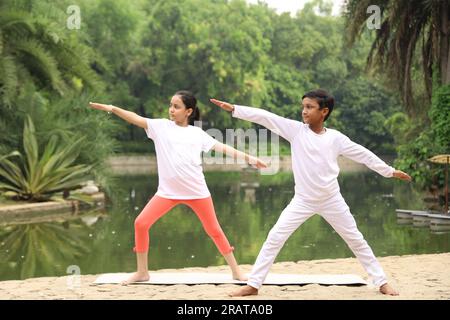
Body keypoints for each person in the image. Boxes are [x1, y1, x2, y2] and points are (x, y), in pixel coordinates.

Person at [210, 89, 412, 296]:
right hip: (303, 200)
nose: (304, 111)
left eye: (309, 107)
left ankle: (381, 282)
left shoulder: (336, 138)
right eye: (303, 107)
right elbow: (266, 117)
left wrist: (389, 171)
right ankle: (253, 285)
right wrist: (235, 109)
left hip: (332, 200)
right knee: (274, 237)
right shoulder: (296, 131)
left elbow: (363, 154)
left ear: (324, 111)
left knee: (356, 240)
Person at [89, 90, 267, 284]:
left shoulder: (196, 133)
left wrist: (250, 158)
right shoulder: (160, 127)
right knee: (141, 223)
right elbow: (136, 118)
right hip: (167, 193)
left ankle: (236, 271)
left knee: (214, 230)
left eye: (176, 106)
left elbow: (222, 148)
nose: (171, 110)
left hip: (197, 192)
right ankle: (142, 272)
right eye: (171, 105)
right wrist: (112, 108)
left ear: (188, 111)